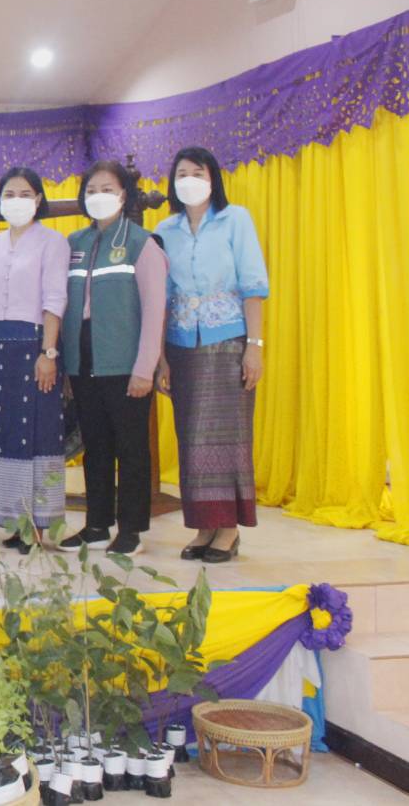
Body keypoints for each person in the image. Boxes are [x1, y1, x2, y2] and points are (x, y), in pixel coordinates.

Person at [155, 146, 268, 563]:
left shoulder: (235, 219)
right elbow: (161, 297)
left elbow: (253, 285)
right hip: (182, 345)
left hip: (228, 342)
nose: (189, 180)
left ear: (212, 178)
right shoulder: (164, 229)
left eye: (197, 173)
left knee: (226, 437)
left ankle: (229, 529)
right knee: (192, 438)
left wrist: (254, 347)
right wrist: (161, 358)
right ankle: (204, 526)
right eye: (181, 173)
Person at [59, 161, 168, 557]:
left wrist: (145, 368)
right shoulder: (75, 242)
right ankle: (96, 525)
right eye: (91, 189)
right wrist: (67, 365)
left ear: (124, 195)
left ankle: (131, 529)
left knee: (131, 448)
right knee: (95, 445)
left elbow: (155, 311)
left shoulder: (142, 243)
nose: (98, 196)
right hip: (83, 358)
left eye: (107, 189)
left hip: (126, 361)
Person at [0, 167, 70, 550]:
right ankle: (15, 520)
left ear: (39, 199)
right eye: (9, 194)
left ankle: (38, 524)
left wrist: (48, 352)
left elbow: (55, 299)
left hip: (35, 347)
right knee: (5, 434)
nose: (17, 201)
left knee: (37, 434)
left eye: (25, 194)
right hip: (0, 349)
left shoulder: (53, 242)